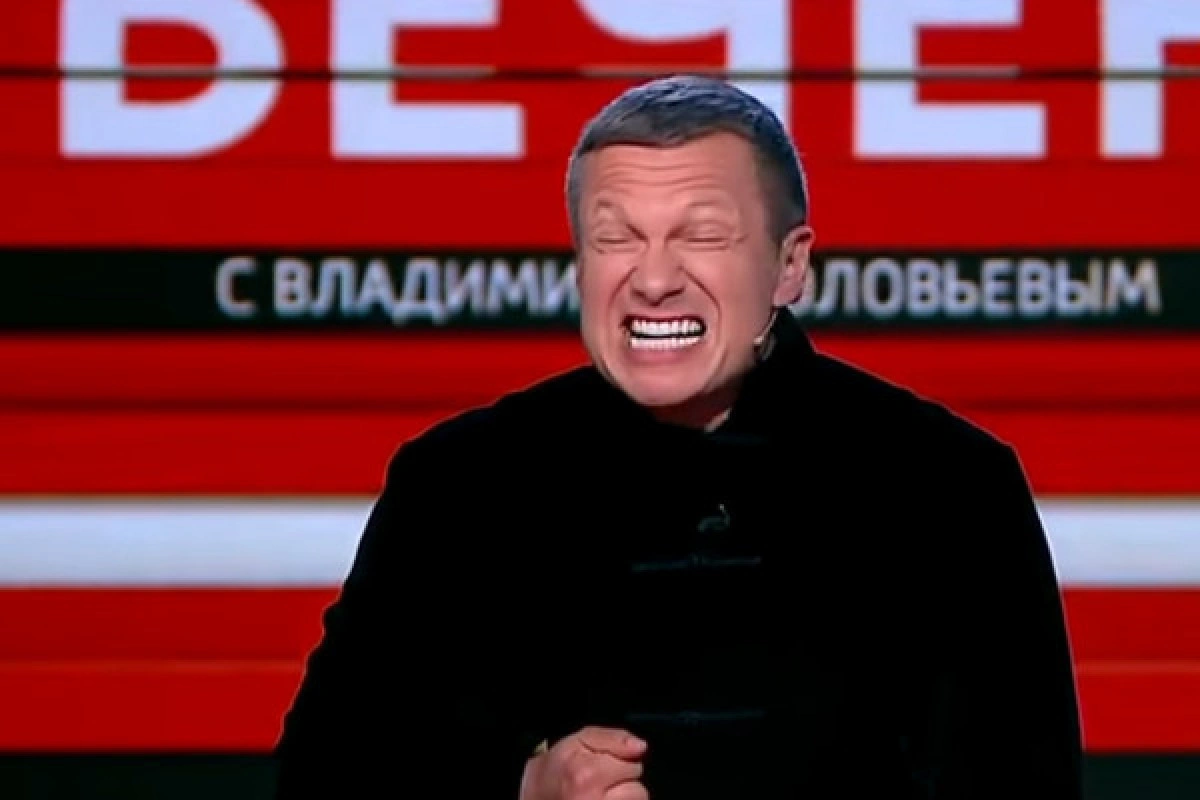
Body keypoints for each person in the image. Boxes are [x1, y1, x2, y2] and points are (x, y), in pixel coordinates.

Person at [273, 75, 1084, 799]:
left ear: (789, 266)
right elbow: (323, 777)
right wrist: (520, 789)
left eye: (701, 236)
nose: (654, 280)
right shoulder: (458, 486)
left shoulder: (949, 488)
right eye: (616, 238)